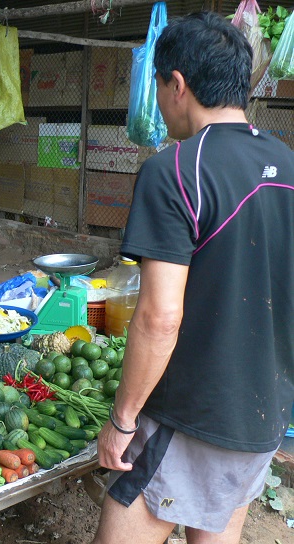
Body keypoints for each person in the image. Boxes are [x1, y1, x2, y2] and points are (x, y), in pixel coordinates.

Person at [93, 12, 294, 544]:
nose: (159, 104)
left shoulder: (176, 169)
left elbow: (160, 318)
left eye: (158, 87)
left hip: (193, 412)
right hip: (265, 411)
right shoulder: (286, 161)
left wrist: (123, 419)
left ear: (176, 84)